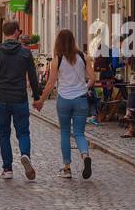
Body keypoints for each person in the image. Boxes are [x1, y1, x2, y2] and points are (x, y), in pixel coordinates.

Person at [35, 29, 94, 179]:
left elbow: (50, 83)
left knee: (65, 133)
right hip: (81, 99)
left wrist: (41, 100)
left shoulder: (57, 59)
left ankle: (67, 168)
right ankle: (85, 156)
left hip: (64, 100)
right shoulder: (83, 56)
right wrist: (83, 89)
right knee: (79, 133)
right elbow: (93, 78)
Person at [0, 20, 39, 180]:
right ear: (16, 32)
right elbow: (33, 77)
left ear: (3, 33)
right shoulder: (25, 52)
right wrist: (37, 97)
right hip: (20, 98)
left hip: (2, 98)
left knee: (3, 134)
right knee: (23, 131)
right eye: (19, 31)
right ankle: (25, 154)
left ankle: (7, 169)